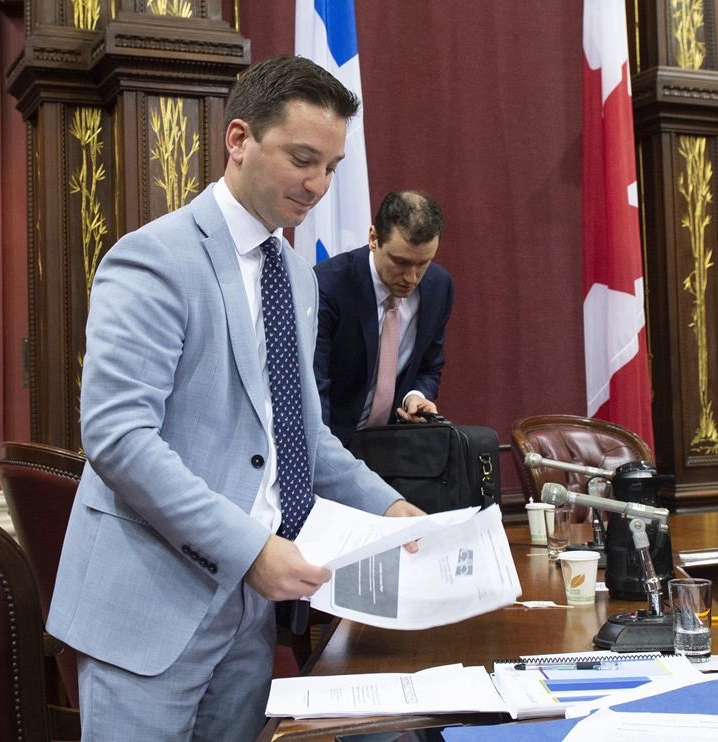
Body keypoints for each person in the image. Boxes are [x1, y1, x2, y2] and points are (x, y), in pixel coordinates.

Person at [46, 55, 424, 741]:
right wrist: (250, 548)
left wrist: (394, 509)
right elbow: (118, 439)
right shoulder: (153, 258)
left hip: (249, 610)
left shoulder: (298, 278)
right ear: (239, 139)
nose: (319, 185)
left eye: (333, 166)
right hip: (150, 604)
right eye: (303, 159)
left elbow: (301, 438)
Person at [313, 190, 454, 446]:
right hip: (331, 443)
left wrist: (414, 396)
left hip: (393, 449)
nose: (411, 277)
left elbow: (429, 367)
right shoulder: (328, 286)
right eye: (400, 262)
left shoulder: (439, 286)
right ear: (373, 238)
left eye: (423, 263)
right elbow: (314, 387)